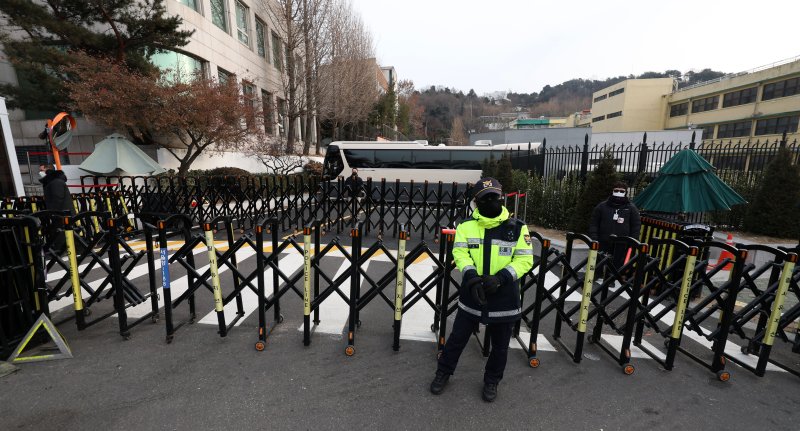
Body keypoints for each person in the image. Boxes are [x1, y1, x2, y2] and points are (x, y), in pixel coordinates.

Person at [430, 177, 533, 402]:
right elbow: (460, 253)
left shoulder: (518, 227)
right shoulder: (466, 226)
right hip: (472, 292)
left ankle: (492, 381)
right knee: (457, 338)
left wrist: (501, 278)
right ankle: (443, 372)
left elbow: (525, 260)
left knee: (500, 347)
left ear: (502, 197)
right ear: (476, 203)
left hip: (504, 295)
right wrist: (471, 276)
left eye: (494, 197)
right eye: (485, 199)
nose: (491, 202)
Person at [588, 181, 641, 279]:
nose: (619, 192)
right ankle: (597, 273)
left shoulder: (631, 208)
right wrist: (594, 236)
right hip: (603, 238)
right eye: (616, 190)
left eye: (621, 191)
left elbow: (636, 225)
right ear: (612, 191)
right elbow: (594, 222)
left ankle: (610, 277)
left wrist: (633, 240)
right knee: (599, 257)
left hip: (621, 240)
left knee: (617, 260)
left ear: (625, 192)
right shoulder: (602, 206)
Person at [40, 169, 75, 252]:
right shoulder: (57, 182)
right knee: (63, 230)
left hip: (61, 212)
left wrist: (53, 212)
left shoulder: (55, 183)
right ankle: (64, 248)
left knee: (60, 231)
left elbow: (57, 198)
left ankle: (61, 249)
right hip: (64, 211)